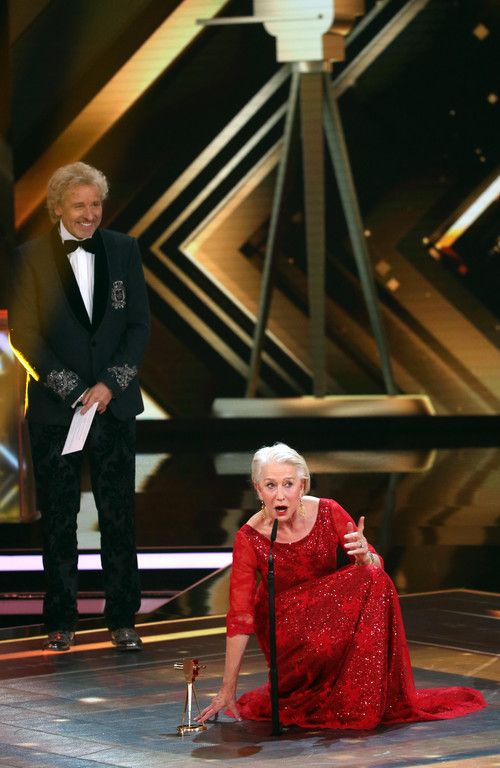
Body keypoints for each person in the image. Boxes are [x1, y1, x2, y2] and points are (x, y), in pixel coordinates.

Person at [196, 443, 486, 730]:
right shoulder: (249, 537)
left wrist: (365, 556)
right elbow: (240, 616)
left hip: (330, 616)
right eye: (271, 485)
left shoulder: (328, 511)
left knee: (372, 576)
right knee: (368, 577)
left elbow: (376, 568)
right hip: (285, 629)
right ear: (259, 490)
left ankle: (361, 696)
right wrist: (227, 688)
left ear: (302, 485)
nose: (280, 495)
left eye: (288, 484)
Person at [9, 162, 150, 652]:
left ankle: (123, 619)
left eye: (95, 205)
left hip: (114, 406)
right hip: (56, 412)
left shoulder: (124, 249)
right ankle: (60, 620)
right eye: (79, 206)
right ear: (57, 208)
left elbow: (139, 326)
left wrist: (109, 385)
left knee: (118, 515)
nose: (89, 214)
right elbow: (25, 334)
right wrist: (73, 391)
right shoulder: (29, 258)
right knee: (59, 518)